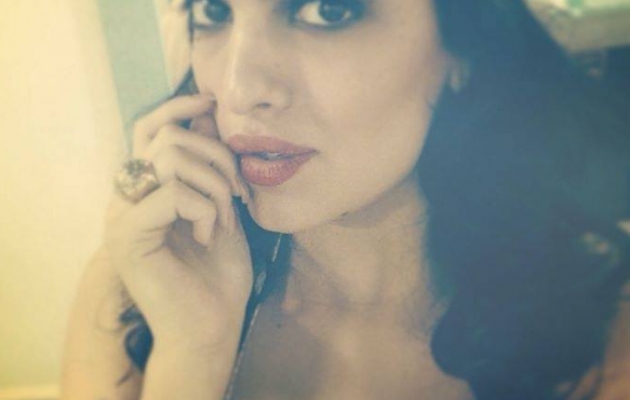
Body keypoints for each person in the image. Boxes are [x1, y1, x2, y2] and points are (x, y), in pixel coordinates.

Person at [61, 0, 630, 398]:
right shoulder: (144, 287)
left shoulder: (601, 316)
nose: (239, 90)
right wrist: (193, 355)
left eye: (327, 10)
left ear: (465, 46)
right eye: (212, 11)